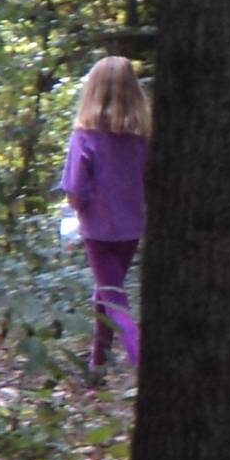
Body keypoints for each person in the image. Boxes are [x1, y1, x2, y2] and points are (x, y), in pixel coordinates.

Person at [60, 56, 150, 382]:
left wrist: (78, 206)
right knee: (106, 292)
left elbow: (73, 189)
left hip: (98, 230)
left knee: (114, 298)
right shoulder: (142, 139)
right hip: (131, 229)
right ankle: (97, 369)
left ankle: (142, 361)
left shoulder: (85, 135)